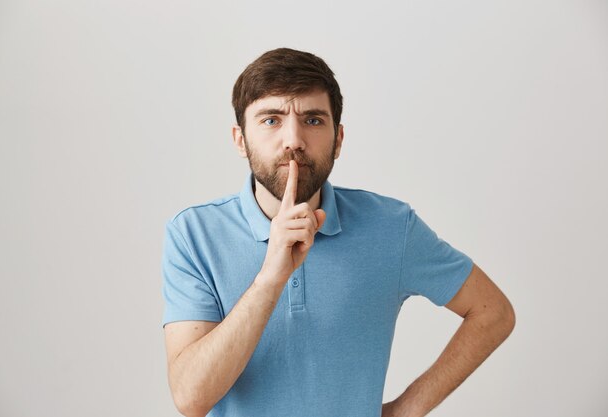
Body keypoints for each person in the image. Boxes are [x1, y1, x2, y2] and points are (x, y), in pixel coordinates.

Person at [160, 47, 515, 417]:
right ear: (239, 140)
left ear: (339, 139)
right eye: (271, 120)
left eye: (313, 120)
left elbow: (493, 313)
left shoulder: (392, 226)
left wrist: (404, 410)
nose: (293, 140)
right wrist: (271, 277)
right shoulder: (193, 234)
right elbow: (191, 398)